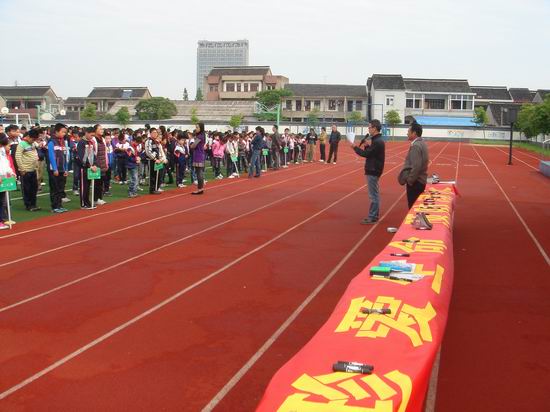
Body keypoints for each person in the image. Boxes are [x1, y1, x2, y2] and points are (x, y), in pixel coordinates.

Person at [351, 119, 385, 225]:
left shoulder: (378, 141)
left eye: (369, 127)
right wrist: (366, 145)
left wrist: (355, 148)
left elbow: (367, 154)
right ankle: (374, 215)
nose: (368, 129)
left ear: (374, 128)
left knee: (373, 194)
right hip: (374, 168)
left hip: (373, 169)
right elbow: (371, 152)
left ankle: (372, 216)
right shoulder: (377, 140)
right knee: (374, 193)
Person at [398, 122, 429, 208]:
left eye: (408, 131)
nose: (407, 133)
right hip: (420, 181)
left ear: (414, 133)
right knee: (418, 207)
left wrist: (410, 181)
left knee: (413, 208)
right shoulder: (422, 143)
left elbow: (416, 166)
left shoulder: (416, 146)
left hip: (416, 182)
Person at [15, 128, 41, 211]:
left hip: (33, 169)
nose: (33, 141)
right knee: (27, 189)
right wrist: (22, 169)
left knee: (34, 188)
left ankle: (34, 204)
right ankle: (28, 205)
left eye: (35, 139)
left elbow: (37, 148)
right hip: (25, 170)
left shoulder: (33, 144)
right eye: (33, 139)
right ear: (28, 137)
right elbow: (18, 157)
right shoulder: (21, 144)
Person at [47, 123, 70, 213]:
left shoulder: (64, 141)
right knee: (54, 189)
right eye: (63, 132)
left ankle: (59, 205)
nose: (64, 134)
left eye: (65, 132)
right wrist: (55, 169)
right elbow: (51, 156)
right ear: (56, 131)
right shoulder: (51, 142)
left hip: (62, 169)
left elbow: (66, 156)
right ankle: (54, 206)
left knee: (61, 188)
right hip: (54, 170)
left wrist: (66, 169)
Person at [75, 127, 98, 209]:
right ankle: (83, 203)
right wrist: (89, 165)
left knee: (88, 186)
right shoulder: (81, 143)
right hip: (83, 168)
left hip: (91, 167)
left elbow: (94, 155)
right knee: (83, 186)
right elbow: (82, 157)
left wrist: (95, 164)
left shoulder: (91, 142)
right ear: (87, 133)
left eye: (93, 136)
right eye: (91, 135)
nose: (92, 137)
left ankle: (87, 201)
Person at [0, 133, 16, 229]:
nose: (2, 146)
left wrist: (10, 172)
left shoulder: (2, 150)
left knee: (2, 200)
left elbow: (5, 162)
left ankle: (2, 219)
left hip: (3, 176)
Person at [144, 127, 167, 194]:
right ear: (150, 133)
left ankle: (156, 188)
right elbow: (148, 152)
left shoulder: (156, 142)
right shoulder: (149, 141)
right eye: (153, 133)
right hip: (151, 161)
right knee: (152, 175)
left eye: (156, 132)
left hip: (158, 161)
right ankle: (152, 189)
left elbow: (159, 151)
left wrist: (161, 158)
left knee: (158, 175)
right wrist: (154, 159)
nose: (155, 134)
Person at [92, 124, 109, 205]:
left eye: (102, 129)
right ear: (95, 130)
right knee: (96, 183)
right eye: (100, 129)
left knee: (101, 182)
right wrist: (94, 164)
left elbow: (105, 152)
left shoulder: (102, 139)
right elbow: (93, 153)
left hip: (103, 164)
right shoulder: (93, 139)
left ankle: (99, 198)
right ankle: (95, 199)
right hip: (96, 164)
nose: (102, 130)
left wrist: (106, 163)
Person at [190, 122, 206, 195]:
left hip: (198, 155)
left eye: (197, 127)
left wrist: (191, 144)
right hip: (200, 154)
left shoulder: (200, 136)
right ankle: (201, 188)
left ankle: (200, 189)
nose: (196, 129)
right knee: (199, 172)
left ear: (201, 128)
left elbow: (193, 146)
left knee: (199, 172)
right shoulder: (202, 135)